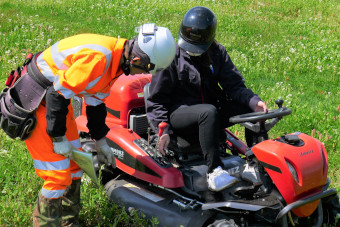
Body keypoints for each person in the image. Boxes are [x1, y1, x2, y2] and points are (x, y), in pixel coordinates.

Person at [1, 23, 175, 226]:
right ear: (136, 59)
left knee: (75, 165)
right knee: (57, 176)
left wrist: (101, 141)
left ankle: (68, 222)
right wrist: (58, 138)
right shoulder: (99, 59)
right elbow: (56, 94)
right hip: (36, 102)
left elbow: (95, 103)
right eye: (142, 69)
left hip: (56, 103)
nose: (136, 74)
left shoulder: (117, 62)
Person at [146, 7, 268, 192]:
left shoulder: (218, 52)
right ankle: (215, 173)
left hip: (209, 110)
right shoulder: (171, 56)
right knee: (208, 111)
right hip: (179, 114)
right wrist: (163, 130)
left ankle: (253, 163)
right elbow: (156, 100)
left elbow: (234, 85)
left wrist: (253, 102)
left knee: (250, 109)